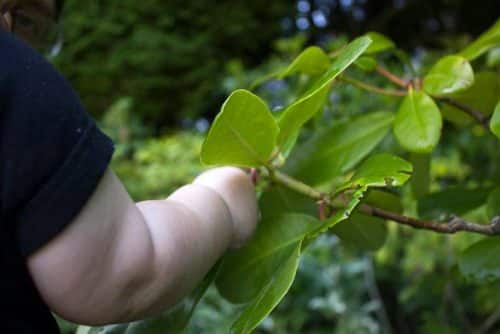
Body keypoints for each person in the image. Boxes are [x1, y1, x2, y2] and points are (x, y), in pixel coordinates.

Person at [0, 1, 258, 333]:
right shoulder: (15, 75)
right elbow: (124, 271)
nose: (7, 27)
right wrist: (220, 202)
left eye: (25, 20)